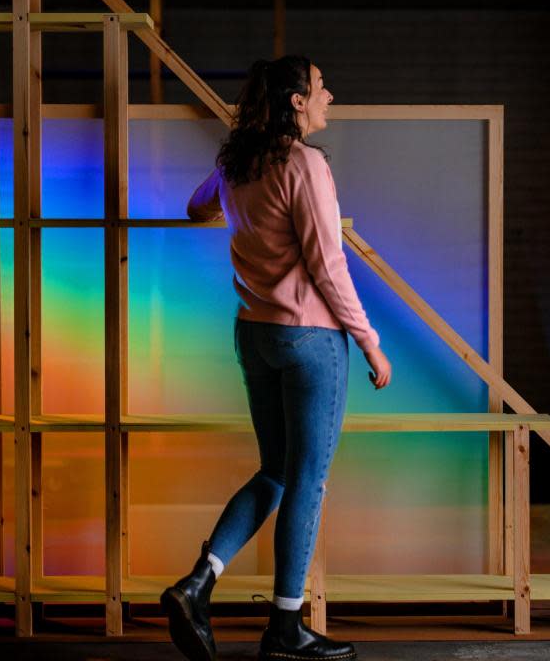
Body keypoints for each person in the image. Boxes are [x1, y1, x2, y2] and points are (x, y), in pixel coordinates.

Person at [162, 55, 392, 661]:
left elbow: (196, 206)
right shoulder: (305, 164)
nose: (329, 95)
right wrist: (369, 341)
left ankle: (197, 582)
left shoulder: (238, 163)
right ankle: (286, 629)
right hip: (311, 339)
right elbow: (328, 264)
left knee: (275, 472)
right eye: (320, 87)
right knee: (307, 483)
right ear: (296, 101)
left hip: (256, 336)